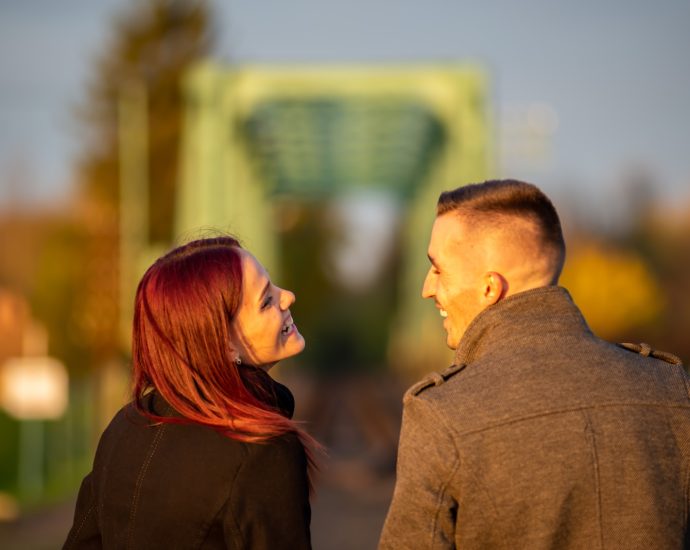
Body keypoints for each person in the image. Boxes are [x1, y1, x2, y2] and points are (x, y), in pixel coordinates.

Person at [379, 180, 690, 549]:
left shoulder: (442, 414)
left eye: (438, 269)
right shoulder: (671, 388)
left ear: (490, 288)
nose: (427, 289)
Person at [64, 236, 318, 549]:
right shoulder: (262, 449)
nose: (288, 297)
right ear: (222, 345)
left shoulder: (122, 429)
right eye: (266, 302)